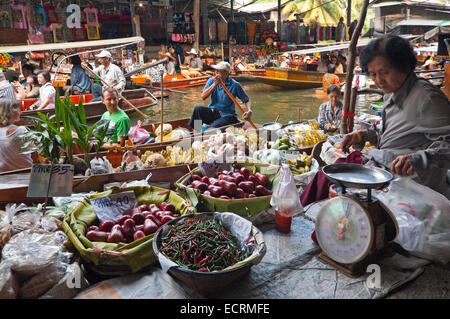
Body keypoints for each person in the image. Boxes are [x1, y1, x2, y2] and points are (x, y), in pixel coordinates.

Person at [340, 35, 450, 198]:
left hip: (412, 189)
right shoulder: (391, 93)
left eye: (384, 72)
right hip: (385, 174)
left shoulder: (426, 99)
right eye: (373, 74)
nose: (379, 81)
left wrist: (420, 158)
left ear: (404, 66)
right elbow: (396, 134)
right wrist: (362, 135)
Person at [188, 61, 252, 130]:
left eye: (218, 71)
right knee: (198, 109)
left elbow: (246, 100)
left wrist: (249, 111)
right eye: (216, 70)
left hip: (227, 116)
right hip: (213, 113)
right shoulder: (212, 80)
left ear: (226, 74)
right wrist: (215, 84)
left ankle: (208, 129)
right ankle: (197, 130)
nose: (216, 72)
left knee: (211, 129)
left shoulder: (235, 85)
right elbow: (203, 97)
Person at [0, 99, 36, 172]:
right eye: (18, 110)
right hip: (25, 173)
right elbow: (36, 152)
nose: (21, 112)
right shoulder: (21, 130)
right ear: (11, 112)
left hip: (3, 175)